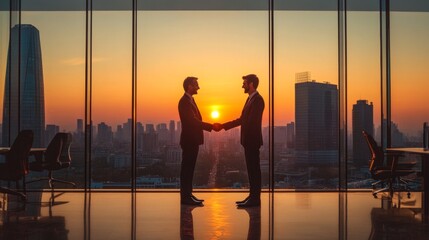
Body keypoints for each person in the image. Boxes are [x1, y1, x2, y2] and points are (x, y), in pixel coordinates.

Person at [214, 74, 265, 207]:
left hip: (252, 140)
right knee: (251, 169)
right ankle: (252, 197)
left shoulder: (258, 100)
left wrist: (223, 126)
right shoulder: (250, 100)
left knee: (254, 170)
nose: (242, 85)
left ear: (251, 84)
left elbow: (249, 121)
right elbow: (242, 119)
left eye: (245, 83)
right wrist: (224, 126)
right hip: (248, 141)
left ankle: (255, 199)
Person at [178, 76, 213, 206]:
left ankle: (188, 195)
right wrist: (210, 126)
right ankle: (185, 197)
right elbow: (192, 121)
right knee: (187, 169)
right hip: (189, 141)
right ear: (189, 86)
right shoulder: (184, 102)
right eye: (196, 84)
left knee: (190, 169)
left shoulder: (190, 100)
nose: (198, 87)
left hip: (193, 140)